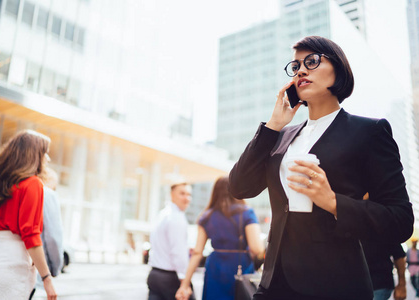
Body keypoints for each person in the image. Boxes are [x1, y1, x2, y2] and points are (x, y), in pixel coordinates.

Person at [228, 36, 414, 300]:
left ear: (337, 68)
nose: (301, 70)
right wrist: (272, 127)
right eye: (295, 67)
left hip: (335, 285)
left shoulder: (369, 132)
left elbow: (401, 220)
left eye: (312, 61)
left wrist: (333, 202)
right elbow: (239, 187)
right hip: (274, 284)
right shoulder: (281, 135)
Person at [0, 130, 57, 300]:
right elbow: (30, 235)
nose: (48, 159)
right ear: (34, 155)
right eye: (45, 153)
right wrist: (47, 278)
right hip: (9, 269)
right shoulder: (32, 184)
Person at [175, 176, 265, 300]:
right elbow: (257, 248)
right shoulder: (247, 212)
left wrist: (184, 285)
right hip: (240, 266)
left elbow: (197, 253)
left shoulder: (206, 216)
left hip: (214, 268)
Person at [147, 182, 196, 300]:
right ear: (171, 195)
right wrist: (185, 282)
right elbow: (178, 252)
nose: (186, 198)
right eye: (182, 193)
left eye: (189, 194)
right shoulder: (176, 217)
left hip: (155, 275)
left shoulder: (163, 214)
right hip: (170, 278)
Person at [30, 168, 64, 299]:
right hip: (39, 272)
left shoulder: (25, 191)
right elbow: (54, 237)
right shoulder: (47, 194)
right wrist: (56, 267)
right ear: (48, 180)